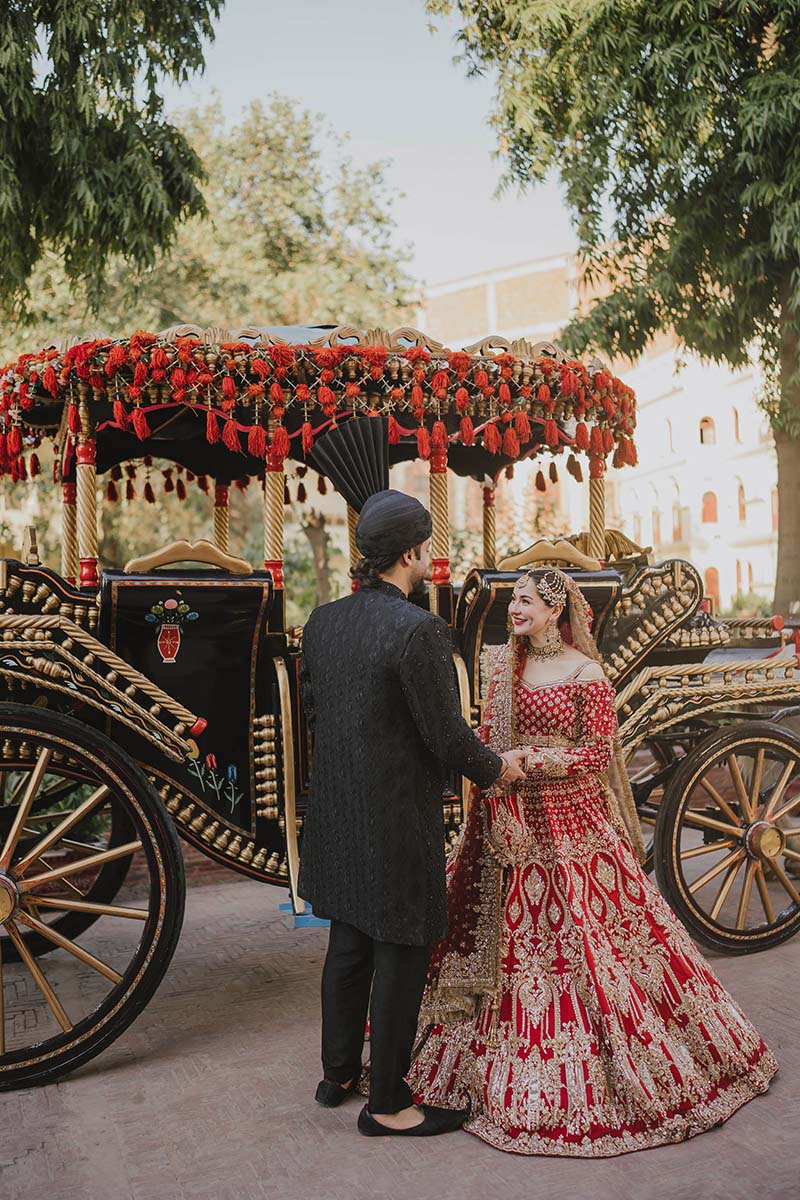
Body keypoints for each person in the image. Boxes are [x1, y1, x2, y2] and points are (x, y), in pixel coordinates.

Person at [407, 566, 777, 1156]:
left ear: (556, 610)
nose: (516, 610)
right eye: (514, 601)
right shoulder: (504, 667)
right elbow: (484, 733)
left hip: (572, 825)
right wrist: (498, 764)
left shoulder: (586, 672)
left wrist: (542, 762)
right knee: (501, 939)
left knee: (589, 939)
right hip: (508, 821)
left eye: (526, 601)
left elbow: (598, 752)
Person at [298, 489, 527, 1138]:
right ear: (410, 554)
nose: (430, 556)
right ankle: (391, 1103)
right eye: (426, 546)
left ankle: (336, 1075)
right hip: (394, 817)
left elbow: (319, 714)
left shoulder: (323, 622)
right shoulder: (418, 630)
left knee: (347, 945)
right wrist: (496, 769)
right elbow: (445, 735)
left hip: (337, 812)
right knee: (401, 948)